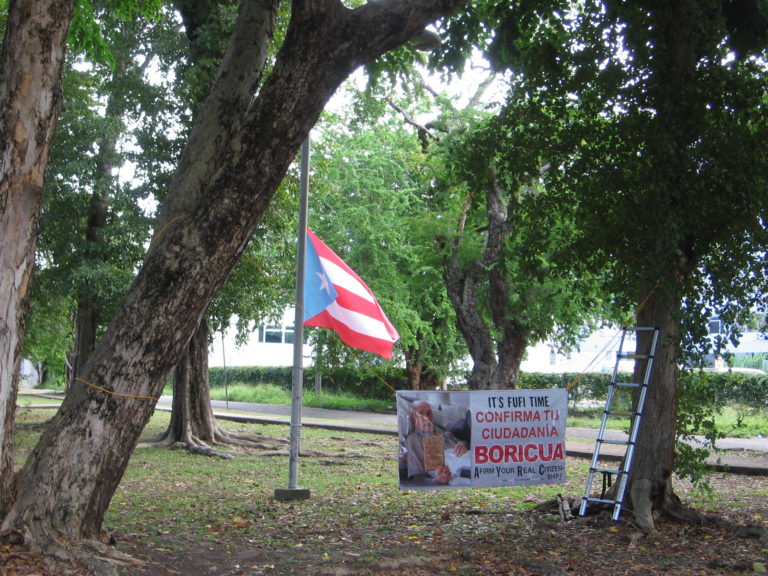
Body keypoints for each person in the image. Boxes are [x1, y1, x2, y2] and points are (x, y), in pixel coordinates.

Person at [399, 401, 469, 485]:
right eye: (420, 414)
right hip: (453, 480)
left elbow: (462, 444)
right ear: (413, 421)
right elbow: (416, 478)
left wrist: (463, 444)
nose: (426, 417)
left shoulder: (443, 432)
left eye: (429, 413)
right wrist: (436, 480)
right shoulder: (413, 440)